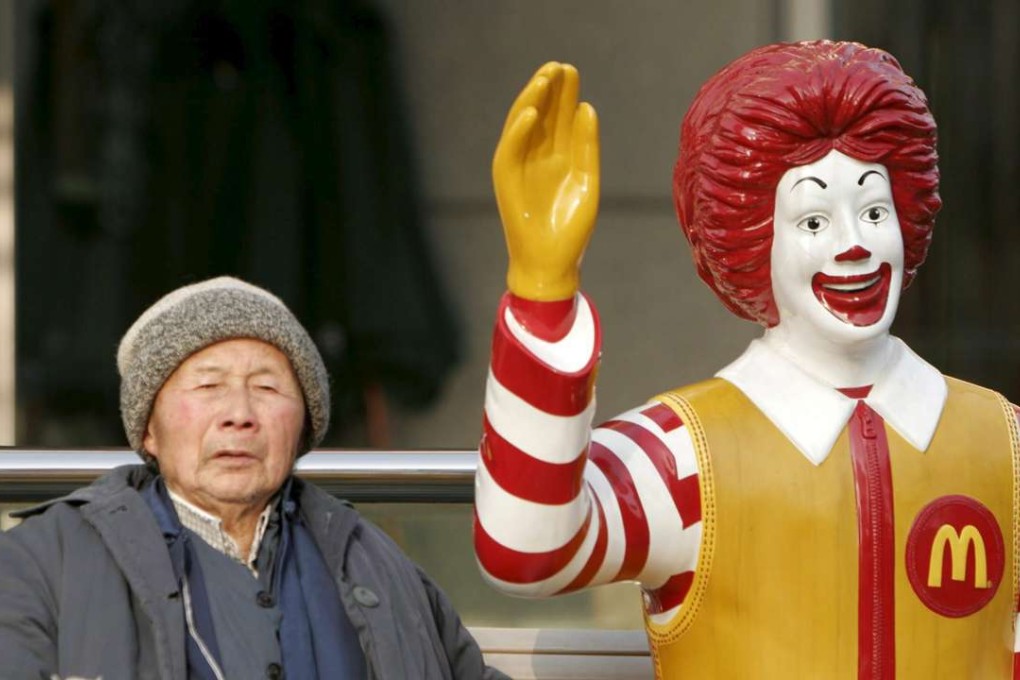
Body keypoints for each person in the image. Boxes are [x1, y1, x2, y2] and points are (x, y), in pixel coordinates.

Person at [474, 42, 1020, 677]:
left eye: (874, 211)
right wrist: (543, 293)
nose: (852, 246)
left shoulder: (1002, 442)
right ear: (753, 237)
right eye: (813, 221)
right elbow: (526, 550)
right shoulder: (685, 454)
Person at [0, 276, 506, 680]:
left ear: (304, 426)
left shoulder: (373, 559)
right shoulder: (42, 562)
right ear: (148, 431)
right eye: (208, 385)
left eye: (266, 386)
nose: (239, 414)